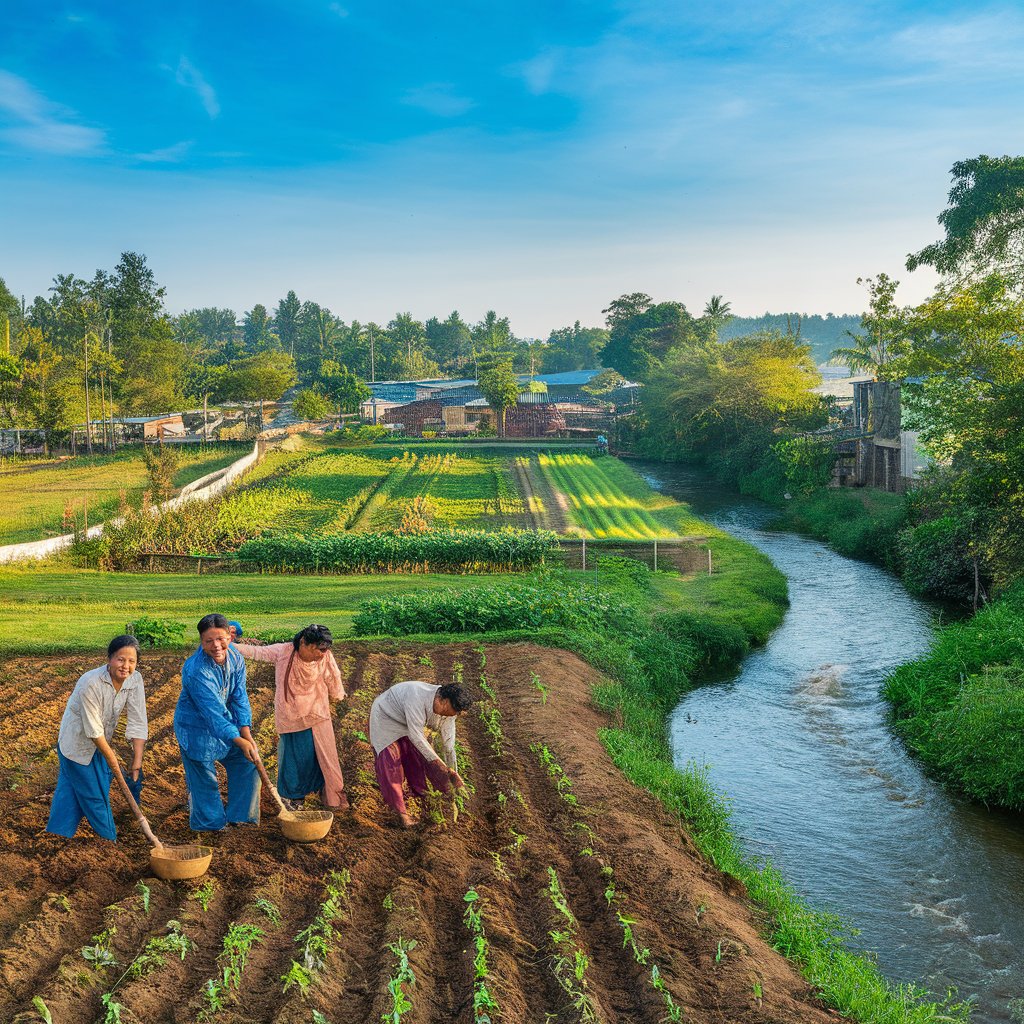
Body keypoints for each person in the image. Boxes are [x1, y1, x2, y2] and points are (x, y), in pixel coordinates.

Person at [234, 624, 348, 812]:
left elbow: (333, 676)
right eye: (318, 649)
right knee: (294, 759)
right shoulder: (284, 652)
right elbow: (257, 652)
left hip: (318, 713)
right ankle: (293, 798)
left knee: (323, 757)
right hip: (291, 716)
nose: (322, 654)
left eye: (324, 650)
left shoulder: (325, 655)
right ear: (303, 643)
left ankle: (328, 793)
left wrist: (336, 696)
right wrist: (227, 645)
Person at [47, 635, 148, 842]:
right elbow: (93, 731)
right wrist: (114, 764)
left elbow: (138, 720)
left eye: (131, 661)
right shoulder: (90, 682)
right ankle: (109, 840)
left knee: (71, 788)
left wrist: (137, 761)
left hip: (99, 743)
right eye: (120, 659)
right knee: (96, 795)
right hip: (75, 744)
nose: (125, 666)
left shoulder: (135, 679)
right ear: (109, 659)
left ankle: (57, 835)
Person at [174, 613, 260, 832]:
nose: (216, 645)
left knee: (247, 763)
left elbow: (239, 697)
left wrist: (247, 735)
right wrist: (240, 740)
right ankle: (212, 826)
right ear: (201, 642)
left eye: (220, 639)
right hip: (196, 730)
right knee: (205, 780)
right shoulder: (196, 671)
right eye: (208, 641)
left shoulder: (236, 658)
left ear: (230, 636)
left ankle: (241, 819)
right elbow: (214, 715)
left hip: (226, 725)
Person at [368, 681, 471, 828]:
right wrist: (441, 766)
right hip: (386, 718)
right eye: (451, 712)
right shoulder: (416, 697)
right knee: (391, 765)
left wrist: (453, 772)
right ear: (443, 701)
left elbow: (449, 746)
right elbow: (416, 736)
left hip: (406, 722)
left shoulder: (450, 711)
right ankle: (402, 817)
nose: (450, 716)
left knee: (415, 762)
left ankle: (424, 803)